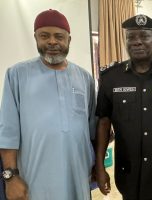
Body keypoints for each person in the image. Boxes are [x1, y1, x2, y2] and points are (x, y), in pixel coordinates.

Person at [0, 9, 96, 200]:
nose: (52, 41)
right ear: (35, 38)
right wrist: (11, 178)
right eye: (45, 36)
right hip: (34, 177)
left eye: (59, 36)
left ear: (69, 39)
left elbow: (92, 129)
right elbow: (8, 132)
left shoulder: (85, 78)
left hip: (78, 173)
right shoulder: (17, 75)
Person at [95, 14, 152, 200]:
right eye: (131, 37)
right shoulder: (110, 78)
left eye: (144, 36)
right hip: (127, 170)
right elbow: (103, 123)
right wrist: (99, 166)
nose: (137, 42)